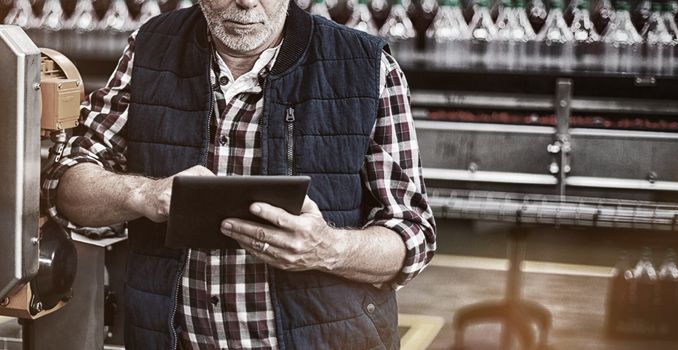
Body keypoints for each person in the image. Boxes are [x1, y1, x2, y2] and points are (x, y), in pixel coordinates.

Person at [42, 0, 437, 348]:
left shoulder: (365, 66)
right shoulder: (149, 48)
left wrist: (327, 248)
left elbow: (414, 233)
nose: (246, 3)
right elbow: (65, 183)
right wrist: (143, 195)